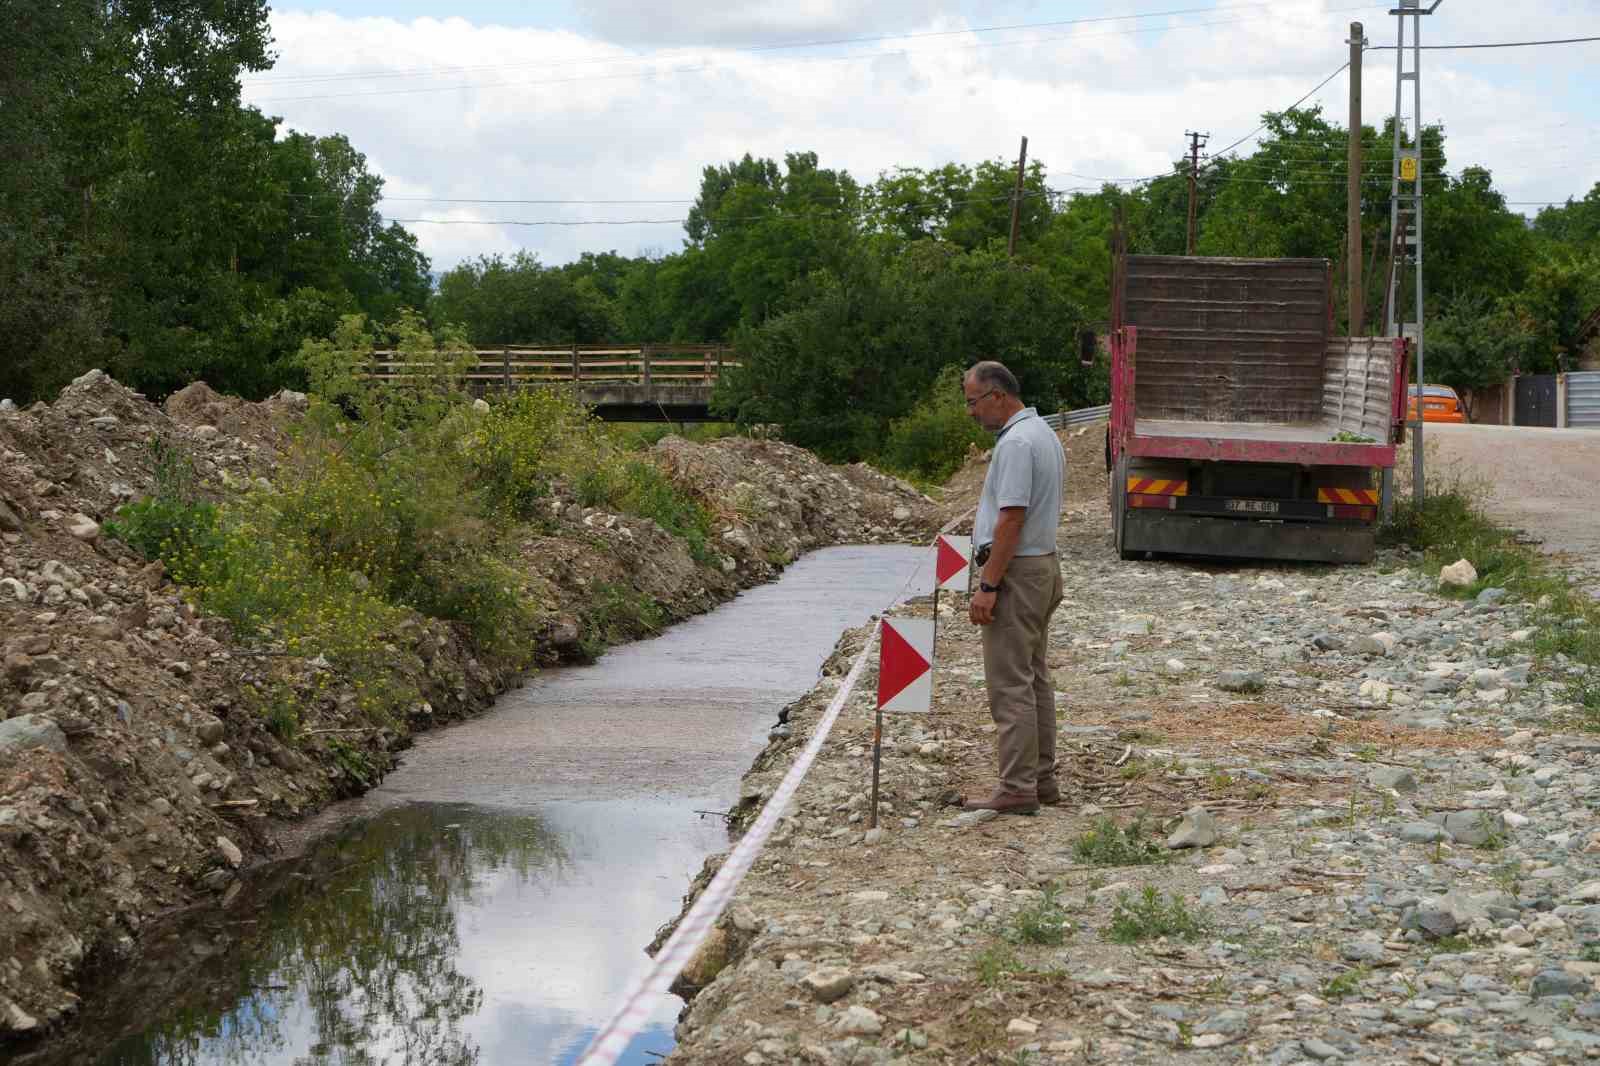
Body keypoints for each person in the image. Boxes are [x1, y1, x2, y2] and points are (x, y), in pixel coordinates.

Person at [961, 361, 1065, 816]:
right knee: (1034, 677)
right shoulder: (1042, 433)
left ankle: (1018, 786)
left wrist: (989, 584)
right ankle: (1040, 778)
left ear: (998, 395)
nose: (971, 412)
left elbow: (1011, 518)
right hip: (1041, 566)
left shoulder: (1018, 443)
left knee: (1010, 684)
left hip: (1017, 572)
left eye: (973, 401)